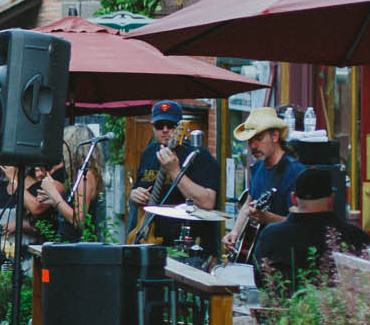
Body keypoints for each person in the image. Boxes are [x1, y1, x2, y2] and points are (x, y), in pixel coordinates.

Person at [252, 168, 370, 295]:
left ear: (293, 198)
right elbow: (369, 284)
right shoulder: (356, 237)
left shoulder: (270, 235)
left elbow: (261, 281)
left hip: (283, 312)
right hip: (336, 313)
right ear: (331, 198)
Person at [127, 101, 219, 248]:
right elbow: (138, 187)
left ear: (179, 127)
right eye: (159, 125)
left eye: (170, 125)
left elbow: (207, 202)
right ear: (153, 127)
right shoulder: (149, 152)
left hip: (185, 242)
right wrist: (134, 195)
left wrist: (174, 171)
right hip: (149, 238)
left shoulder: (198, 155)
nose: (165, 130)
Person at [227, 107, 304, 255]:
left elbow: (301, 225)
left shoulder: (294, 172)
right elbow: (248, 203)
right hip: (260, 252)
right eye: (250, 140)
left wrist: (270, 219)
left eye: (259, 138)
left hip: (284, 255)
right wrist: (235, 233)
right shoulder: (257, 167)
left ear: (275, 136)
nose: (253, 146)